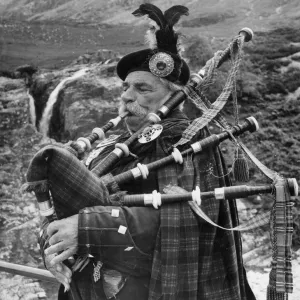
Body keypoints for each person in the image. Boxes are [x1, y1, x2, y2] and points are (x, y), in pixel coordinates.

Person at [38, 3, 256, 300]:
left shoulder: (186, 141)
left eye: (143, 89)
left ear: (173, 97)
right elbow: (60, 209)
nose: (127, 97)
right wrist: (53, 247)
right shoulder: (111, 144)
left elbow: (184, 222)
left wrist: (87, 229)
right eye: (126, 88)